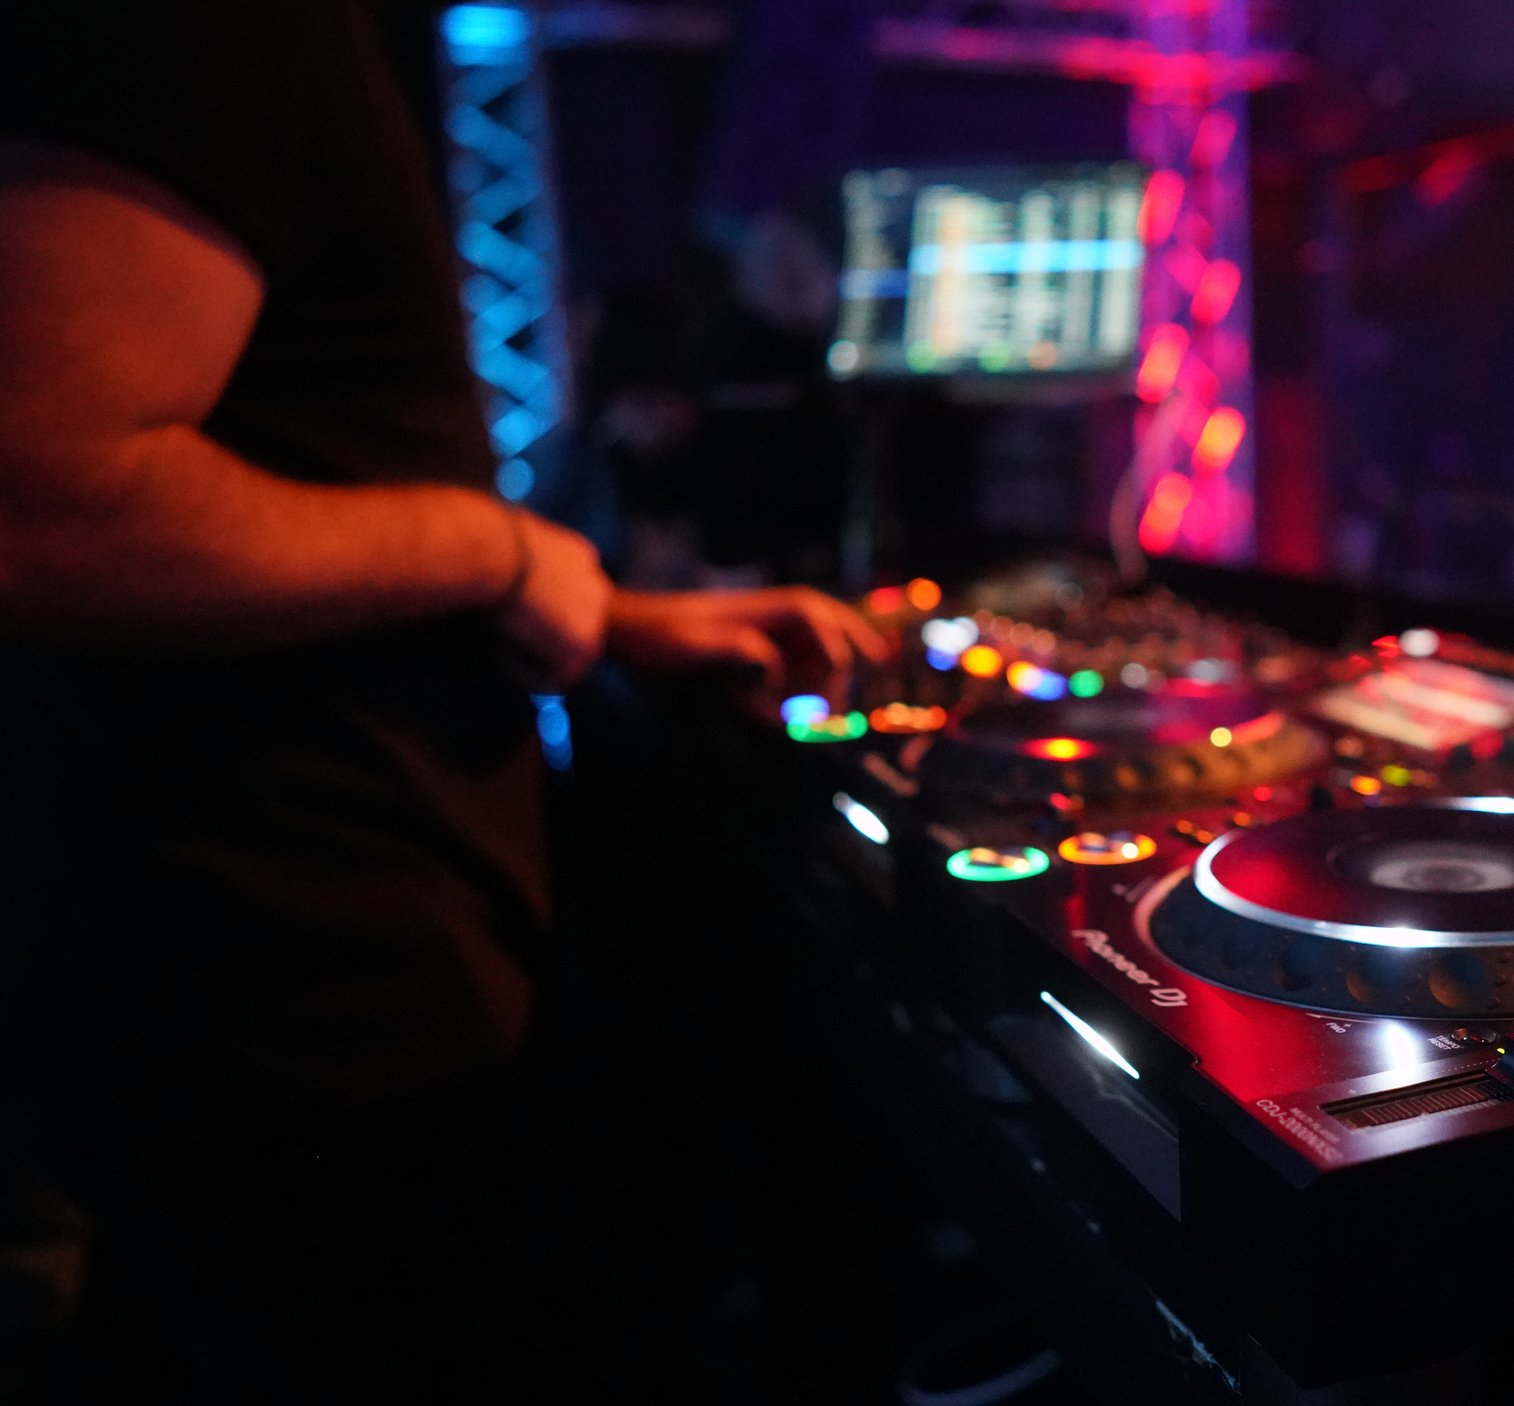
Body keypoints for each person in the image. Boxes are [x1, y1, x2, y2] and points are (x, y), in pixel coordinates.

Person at [0, 4, 888, 1398]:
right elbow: (41, 500)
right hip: (301, 1034)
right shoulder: (224, 31)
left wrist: (614, 613)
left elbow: (299, 471)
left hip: (296, 1008)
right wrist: (496, 549)